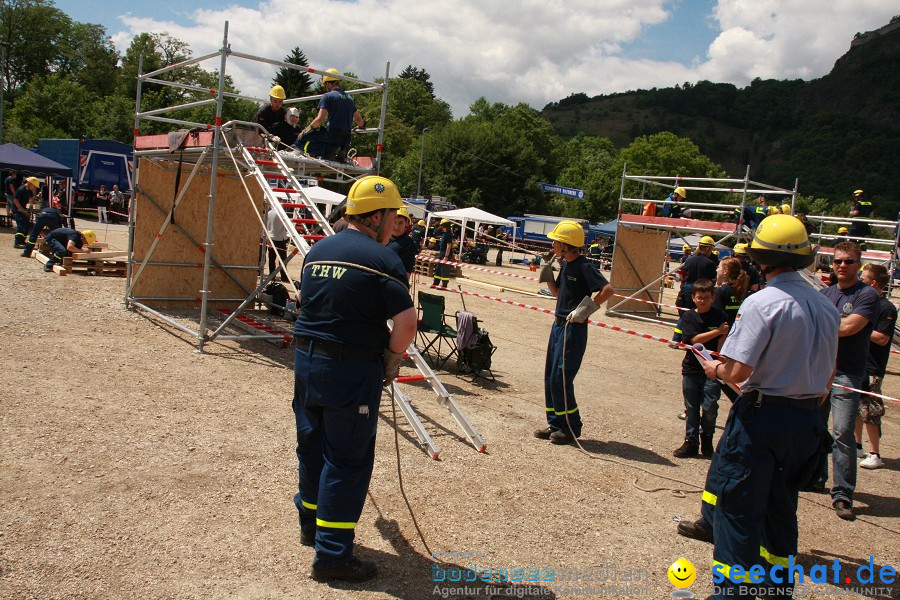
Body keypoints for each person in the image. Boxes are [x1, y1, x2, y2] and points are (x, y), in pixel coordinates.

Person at [677, 214, 839, 600]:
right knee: (782, 507)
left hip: (763, 417)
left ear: (761, 257)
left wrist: (715, 368)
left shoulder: (762, 303)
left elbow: (738, 369)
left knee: (737, 509)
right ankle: (777, 588)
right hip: (806, 420)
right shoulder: (826, 306)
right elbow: (829, 373)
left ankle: (731, 594)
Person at [291, 175, 415, 583]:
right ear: (376, 216)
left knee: (311, 446)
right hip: (351, 368)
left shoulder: (317, 250)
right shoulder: (384, 260)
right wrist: (392, 359)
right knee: (346, 459)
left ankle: (310, 525)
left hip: (307, 362)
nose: (394, 223)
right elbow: (406, 322)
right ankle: (332, 557)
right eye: (392, 216)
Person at [534, 220, 614, 445]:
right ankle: (555, 423)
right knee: (551, 376)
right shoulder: (567, 264)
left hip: (573, 328)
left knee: (561, 377)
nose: (552, 243)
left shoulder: (584, 266)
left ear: (566, 245)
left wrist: (586, 310)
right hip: (558, 325)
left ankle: (571, 427)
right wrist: (547, 272)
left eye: (555, 241)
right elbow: (559, 293)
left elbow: (607, 290)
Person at [818, 241, 880, 521]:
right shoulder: (825, 293)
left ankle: (842, 493)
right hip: (818, 369)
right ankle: (814, 477)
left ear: (859, 264)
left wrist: (818, 323)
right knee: (813, 426)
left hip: (846, 373)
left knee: (843, 433)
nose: (842, 266)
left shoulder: (868, 296)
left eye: (848, 262)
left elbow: (848, 327)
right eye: (837, 261)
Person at [672, 279, 728, 458]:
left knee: (710, 407)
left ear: (712, 297)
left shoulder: (720, 316)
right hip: (692, 369)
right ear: (693, 298)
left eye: (706, 297)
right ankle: (690, 441)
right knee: (692, 407)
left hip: (713, 370)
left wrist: (720, 354)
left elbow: (723, 339)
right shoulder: (688, 317)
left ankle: (707, 438)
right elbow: (694, 340)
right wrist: (718, 331)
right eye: (699, 297)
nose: (702, 300)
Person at [855, 263, 893, 470]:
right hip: (858, 363)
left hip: (872, 368)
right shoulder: (865, 303)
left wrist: (858, 327)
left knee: (871, 411)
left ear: (874, 282)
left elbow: (882, 338)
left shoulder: (885, 307)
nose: (860, 281)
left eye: (864, 278)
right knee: (857, 410)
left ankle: (875, 453)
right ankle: (857, 445)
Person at [300, 69, 366, 163]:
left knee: (308, 140)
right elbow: (359, 120)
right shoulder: (350, 99)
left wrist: (306, 131)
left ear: (328, 84)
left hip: (331, 139)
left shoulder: (327, 96)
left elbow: (319, 120)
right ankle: (340, 153)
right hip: (345, 142)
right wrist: (361, 127)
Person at [677, 236, 717, 309]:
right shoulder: (710, 263)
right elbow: (713, 280)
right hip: (702, 290)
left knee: (686, 312)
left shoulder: (689, 260)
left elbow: (684, 274)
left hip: (688, 288)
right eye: (711, 249)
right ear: (708, 248)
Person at [713, 257, 750, 325]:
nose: (716, 270)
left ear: (725, 271)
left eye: (718, 267)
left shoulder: (720, 292)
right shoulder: (742, 290)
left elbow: (716, 317)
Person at [387, 206, 417, 280]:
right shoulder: (385, 238)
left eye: (400, 223)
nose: (396, 227)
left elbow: (407, 270)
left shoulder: (408, 243)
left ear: (406, 223)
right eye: (394, 222)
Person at [12, 177, 40, 248]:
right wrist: (22, 210)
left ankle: (22, 241)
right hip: (18, 210)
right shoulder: (21, 190)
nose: (34, 188)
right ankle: (17, 242)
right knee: (21, 225)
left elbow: (31, 199)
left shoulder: (29, 191)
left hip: (24, 209)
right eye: (34, 186)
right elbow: (16, 201)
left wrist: (37, 202)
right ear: (30, 183)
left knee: (26, 226)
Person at [266, 201, 290, 283]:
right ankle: (283, 276)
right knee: (283, 259)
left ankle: (272, 275)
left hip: (271, 237)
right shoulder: (281, 214)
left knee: (271, 258)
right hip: (280, 238)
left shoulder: (268, 213)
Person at [431, 219, 454, 288]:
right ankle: (435, 283)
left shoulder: (449, 234)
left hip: (446, 254)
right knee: (438, 268)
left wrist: (446, 256)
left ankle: (444, 285)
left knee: (444, 270)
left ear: (444, 226)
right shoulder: (444, 234)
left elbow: (449, 245)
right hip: (442, 253)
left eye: (441, 226)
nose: (440, 227)